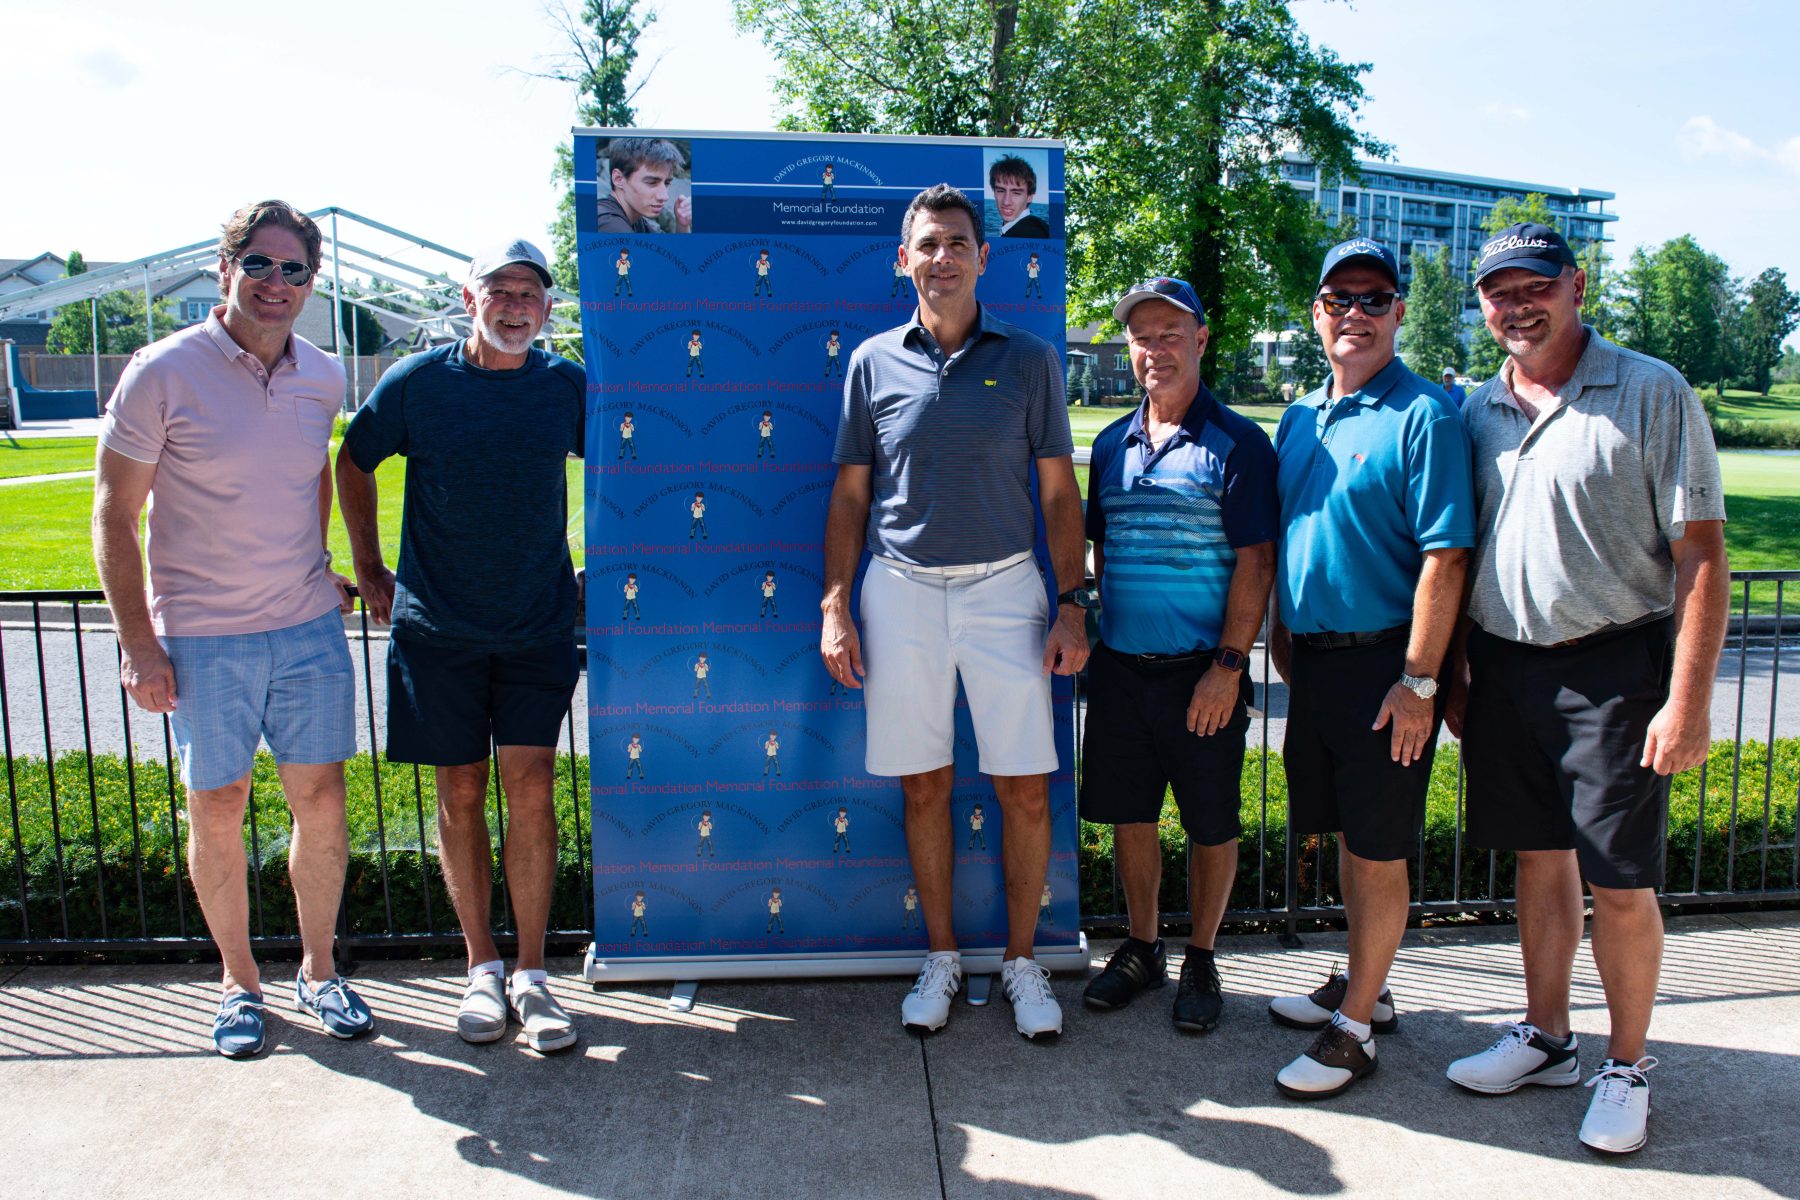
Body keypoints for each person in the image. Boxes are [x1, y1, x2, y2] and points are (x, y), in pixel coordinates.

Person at [1443, 223, 1728, 1155]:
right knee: (1537, 860)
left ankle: (1628, 1063)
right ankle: (1550, 1036)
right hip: (1505, 665)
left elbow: (1701, 556)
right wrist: (1452, 671)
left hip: (1614, 669)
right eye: (1497, 293)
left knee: (1621, 879)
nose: (1515, 306)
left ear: (1574, 286)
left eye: (1533, 288)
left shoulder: (1650, 390)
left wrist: (1687, 700)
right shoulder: (1478, 406)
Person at [92, 199, 372, 1058]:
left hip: (308, 629)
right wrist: (140, 643)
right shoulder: (162, 371)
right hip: (204, 636)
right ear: (227, 269)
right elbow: (113, 513)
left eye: (294, 270)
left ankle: (320, 971)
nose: (276, 283)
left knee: (322, 803)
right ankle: (239, 984)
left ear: (312, 282)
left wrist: (322, 563)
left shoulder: (323, 375)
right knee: (218, 806)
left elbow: (312, 471)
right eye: (259, 264)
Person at [821, 183, 1086, 1041]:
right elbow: (850, 497)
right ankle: (940, 958)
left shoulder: (1032, 359)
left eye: (957, 243)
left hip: (1008, 589)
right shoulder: (871, 361)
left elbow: (1057, 495)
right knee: (925, 784)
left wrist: (1073, 600)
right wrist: (836, 603)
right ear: (905, 259)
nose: (942, 258)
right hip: (896, 591)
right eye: (927, 244)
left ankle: (1020, 962)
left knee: (1025, 790)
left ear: (984, 257)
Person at [337, 237, 584, 1056]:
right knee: (460, 793)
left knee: (534, 787)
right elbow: (354, 460)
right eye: (500, 290)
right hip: (436, 630)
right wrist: (370, 566)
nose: (516, 306)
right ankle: (480, 968)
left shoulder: (566, 388)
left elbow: (631, 467)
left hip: (537, 626)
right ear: (468, 299)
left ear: (546, 309)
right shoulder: (418, 384)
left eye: (530, 294)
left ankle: (532, 975)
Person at [1266, 237, 1474, 1099]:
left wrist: (1420, 680)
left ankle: (1355, 1033)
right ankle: (1368, 988)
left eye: (1375, 297)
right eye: (1339, 298)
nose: (1355, 312)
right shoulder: (1298, 414)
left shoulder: (1425, 414)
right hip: (1314, 666)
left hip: (1388, 670)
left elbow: (1446, 557)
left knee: (1380, 848)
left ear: (1398, 311)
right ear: (1317, 313)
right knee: (1350, 836)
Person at [1079, 277, 1278, 1035]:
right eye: (1142, 336)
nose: (1154, 349)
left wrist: (1229, 668)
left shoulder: (1237, 443)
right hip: (1124, 671)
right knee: (1131, 818)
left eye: (1170, 334)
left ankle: (1200, 954)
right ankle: (1141, 946)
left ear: (1201, 341)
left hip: (1206, 675)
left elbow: (1255, 563)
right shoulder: (1109, 443)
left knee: (1210, 824)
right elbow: (1104, 544)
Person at [596, 137, 692, 233]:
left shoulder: (636, 220)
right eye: (651, 182)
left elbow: (672, 248)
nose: (664, 196)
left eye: (666, 183)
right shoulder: (609, 224)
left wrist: (683, 224)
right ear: (618, 179)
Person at [989, 155, 1050, 239]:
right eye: (1001, 191)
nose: (1006, 202)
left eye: (1016, 193)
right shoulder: (1038, 226)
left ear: (1030, 196)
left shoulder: (1030, 234)